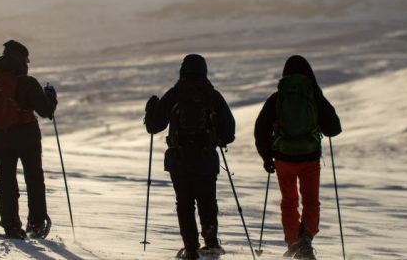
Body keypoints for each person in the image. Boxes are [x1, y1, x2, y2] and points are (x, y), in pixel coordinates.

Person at [144, 54, 235, 260]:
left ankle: (191, 249)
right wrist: (215, 138)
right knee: (207, 200)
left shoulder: (175, 94)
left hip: (179, 159)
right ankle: (211, 243)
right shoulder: (213, 96)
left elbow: (153, 126)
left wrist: (151, 109)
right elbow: (229, 132)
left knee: (184, 203)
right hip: (206, 160)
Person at [254, 55, 342, 259]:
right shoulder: (313, 95)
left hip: (283, 158)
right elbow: (334, 128)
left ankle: (294, 242)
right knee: (311, 200)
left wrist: (267, 157)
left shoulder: (278, 98)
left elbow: (260, 129)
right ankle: (306, 239)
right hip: (310, 158)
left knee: (289, 201)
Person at [0, 40, 58, 239]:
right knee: (34, 179)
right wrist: (51, 96)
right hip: (27, 138)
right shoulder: (27, 82)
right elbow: (46, 110)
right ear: (22, 60)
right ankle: (36, 224)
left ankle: (11, 226)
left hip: (0, 138)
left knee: (6, 182)